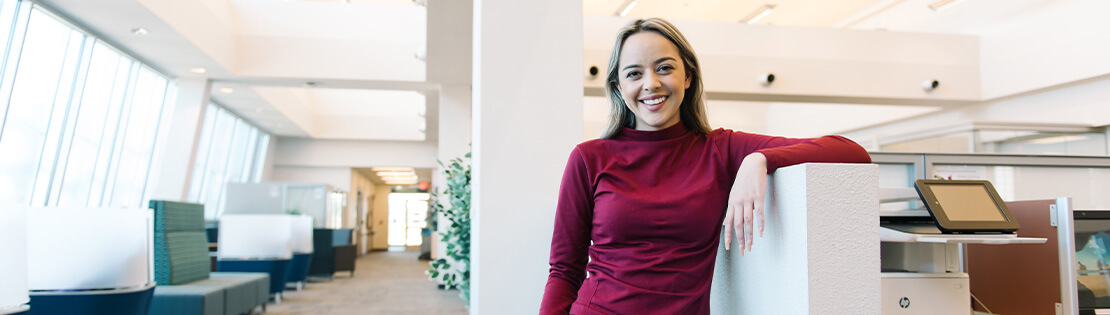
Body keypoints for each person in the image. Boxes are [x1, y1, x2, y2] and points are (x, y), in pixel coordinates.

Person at [539, 18, 872, 315]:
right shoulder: (588, 158)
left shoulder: (720, 149)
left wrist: (760, 158)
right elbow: (564, 271)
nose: (651, 83)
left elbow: (851, 151)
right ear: (619, 88)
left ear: (688, 76)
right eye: (634, 74)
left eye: (665, 68)